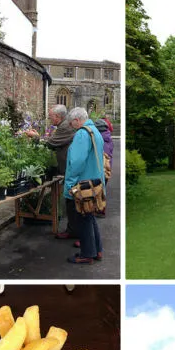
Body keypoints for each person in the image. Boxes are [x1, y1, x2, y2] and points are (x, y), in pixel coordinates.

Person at [26, 104, 77, 239]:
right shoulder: (63, 126)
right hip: (67, 167)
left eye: (51, 116)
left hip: (69, 167)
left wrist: (35, 137)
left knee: (72, 200)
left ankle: (74, 231)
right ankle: (73, 230)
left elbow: (50, 143)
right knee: (71, 200)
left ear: (58, 117)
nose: (49, 119)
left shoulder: (65, 127)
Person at [64, 107, 104, 264]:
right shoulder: (94, 130)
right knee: (90, 217)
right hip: (93, 182)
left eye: (71, 122)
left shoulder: (82, 133)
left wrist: (69, 184)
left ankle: (87, 254)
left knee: (83, 218)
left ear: (76, 120)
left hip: (83, 184)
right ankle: (97, 250)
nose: (71, 125)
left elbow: (76, 162)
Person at [93, 118, 113, 218]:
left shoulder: (100, 139)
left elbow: (102, 156)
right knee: (102, 189)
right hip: (108, 167)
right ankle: (100, 208)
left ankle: (100, 210)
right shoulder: (107, 137)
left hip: (103, 168)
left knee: (99, 190)